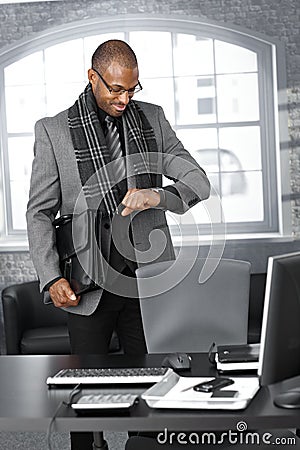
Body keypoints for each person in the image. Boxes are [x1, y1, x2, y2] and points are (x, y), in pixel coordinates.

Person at [26, 39, 210, 449]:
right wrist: (50, 276)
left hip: (149, 283)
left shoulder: (154, 120)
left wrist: (157, 196)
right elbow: (38, 212)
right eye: (116, 89)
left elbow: (199, 182)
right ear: (93, 78)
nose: (125, 98)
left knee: (155, 397)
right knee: (83, 409)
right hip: (86, 286)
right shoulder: (53, 131)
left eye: (133, 89)